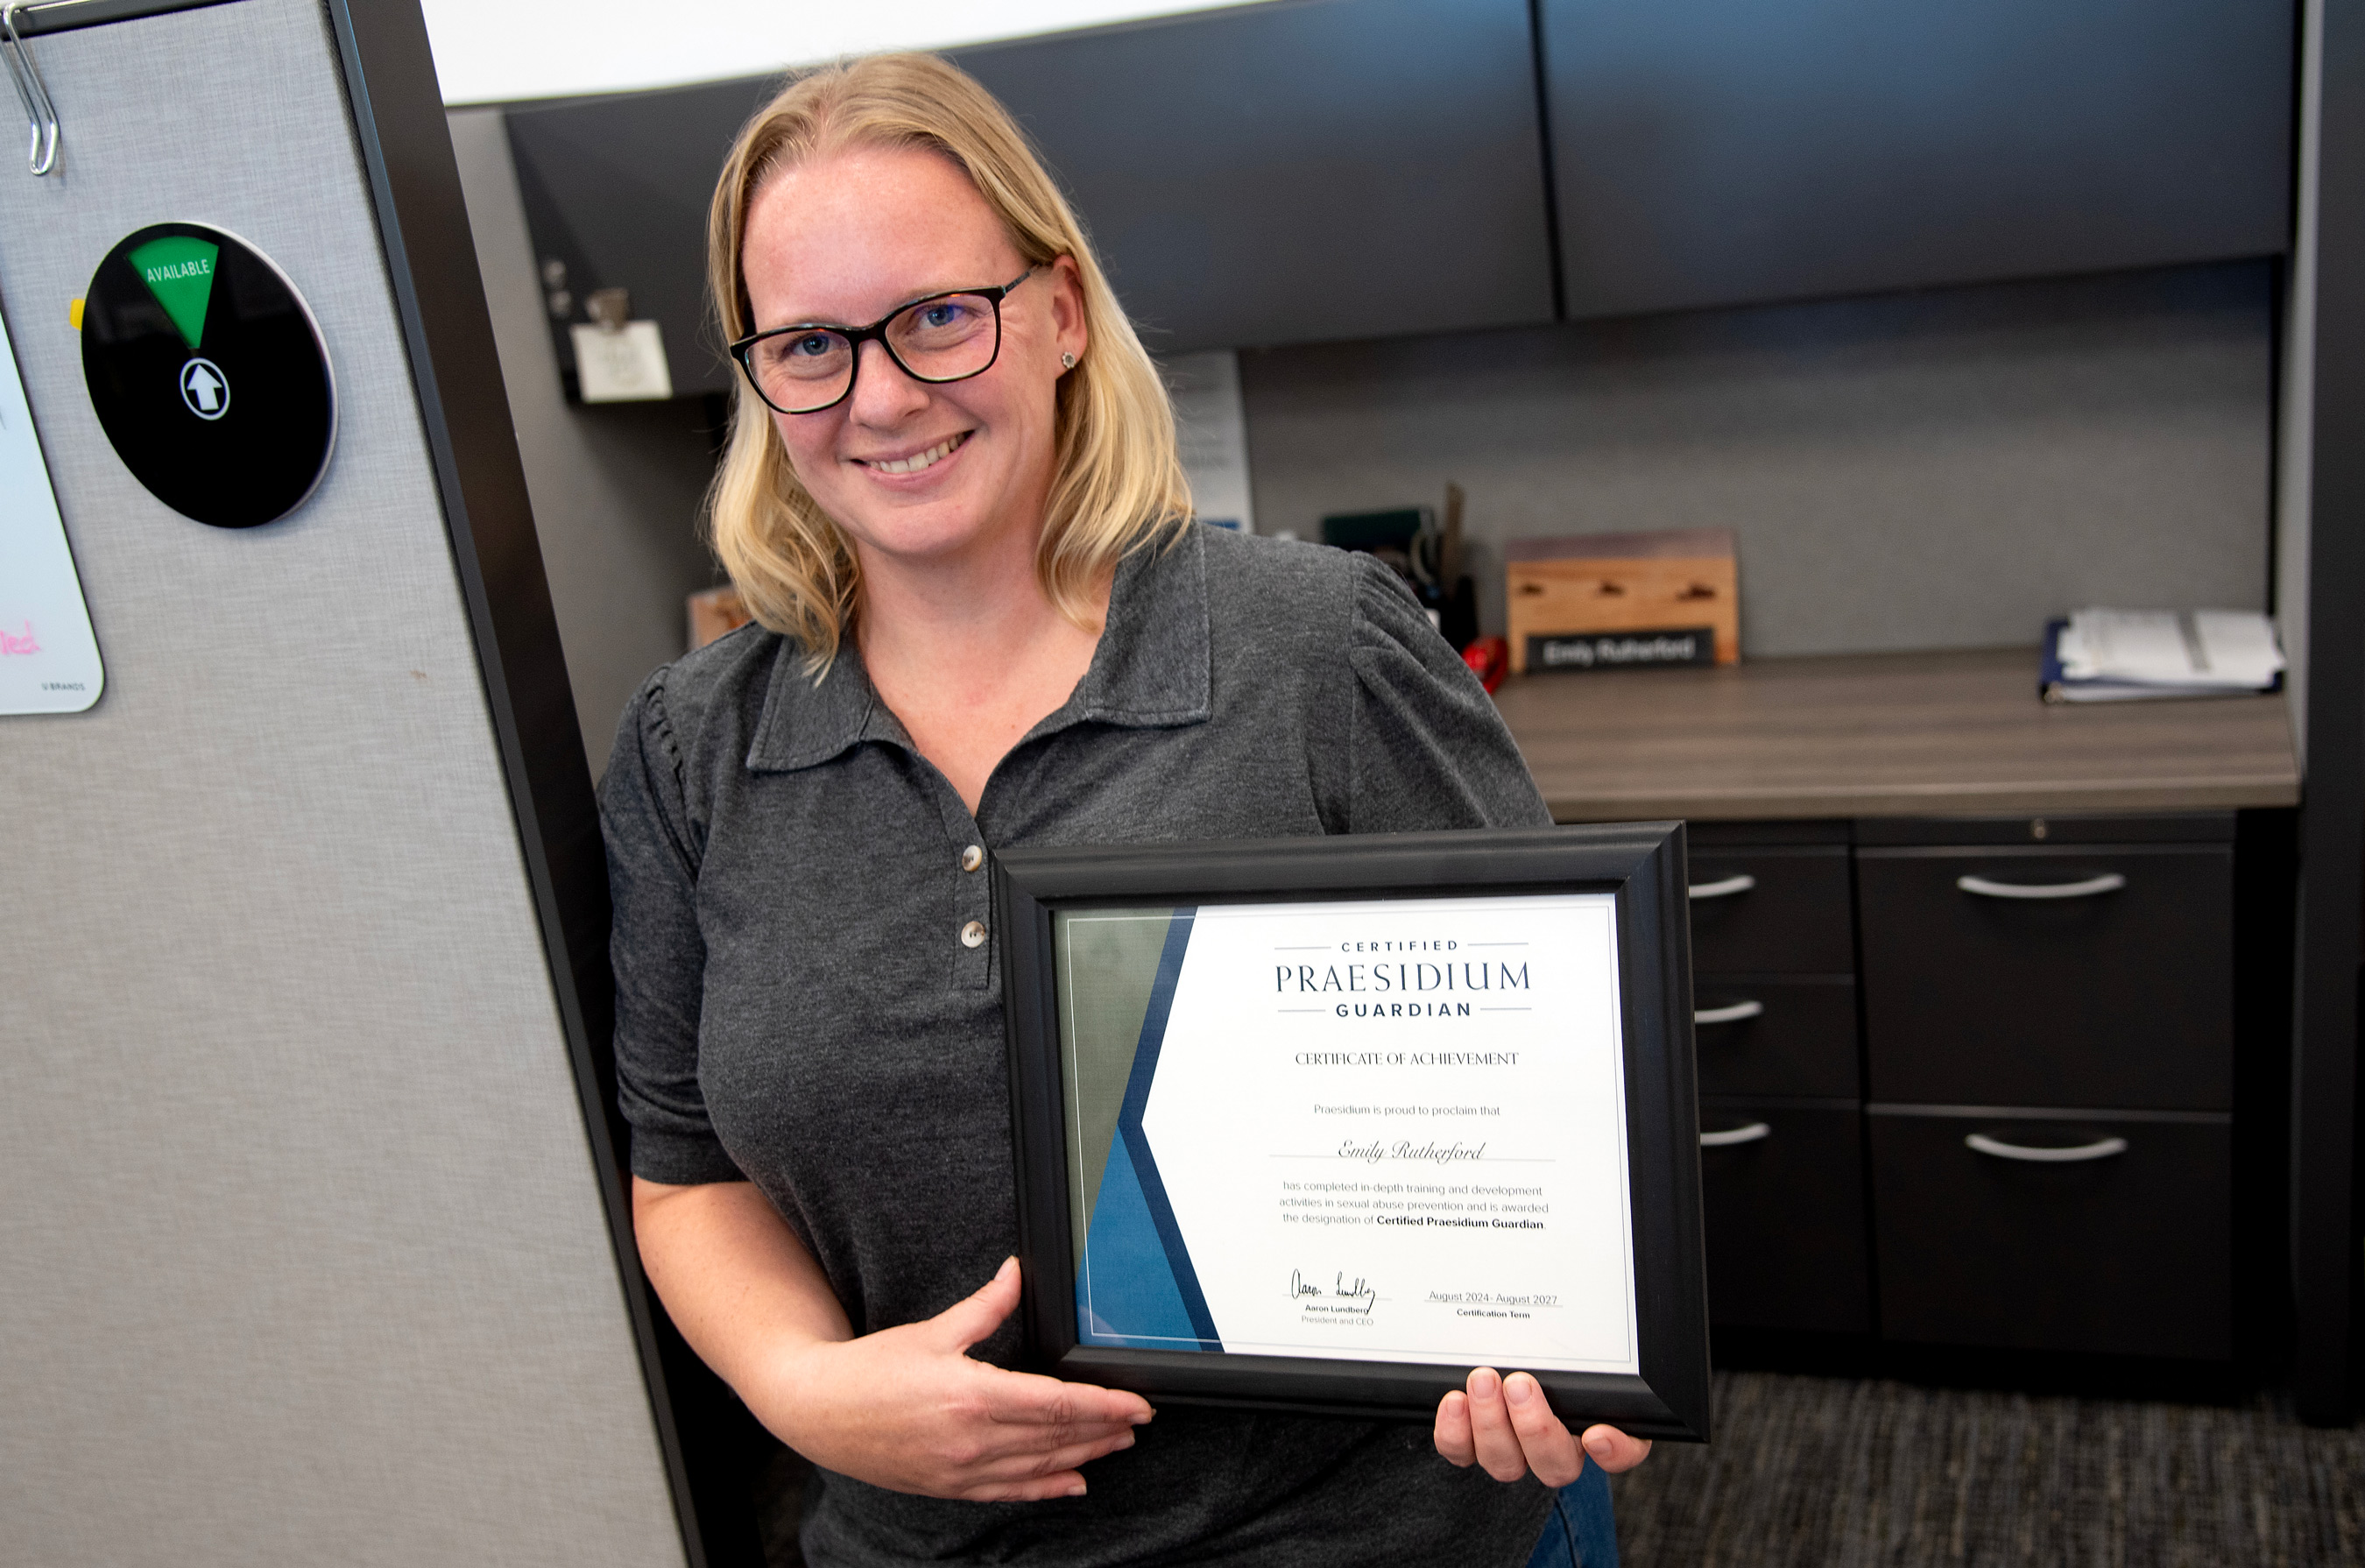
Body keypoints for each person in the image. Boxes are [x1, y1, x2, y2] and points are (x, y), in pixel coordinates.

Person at [599, 52, 1651, 1568]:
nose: (881, 394)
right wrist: (803, 1386)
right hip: (926, 1546)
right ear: (761, 377)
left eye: (939, 316)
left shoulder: (1317, 651)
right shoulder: (693, 747)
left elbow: (1552, 1086)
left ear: (1062, 310)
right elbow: (685, 1165)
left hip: (1355, 1531)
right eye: (812, 343)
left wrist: (1574, 1333)